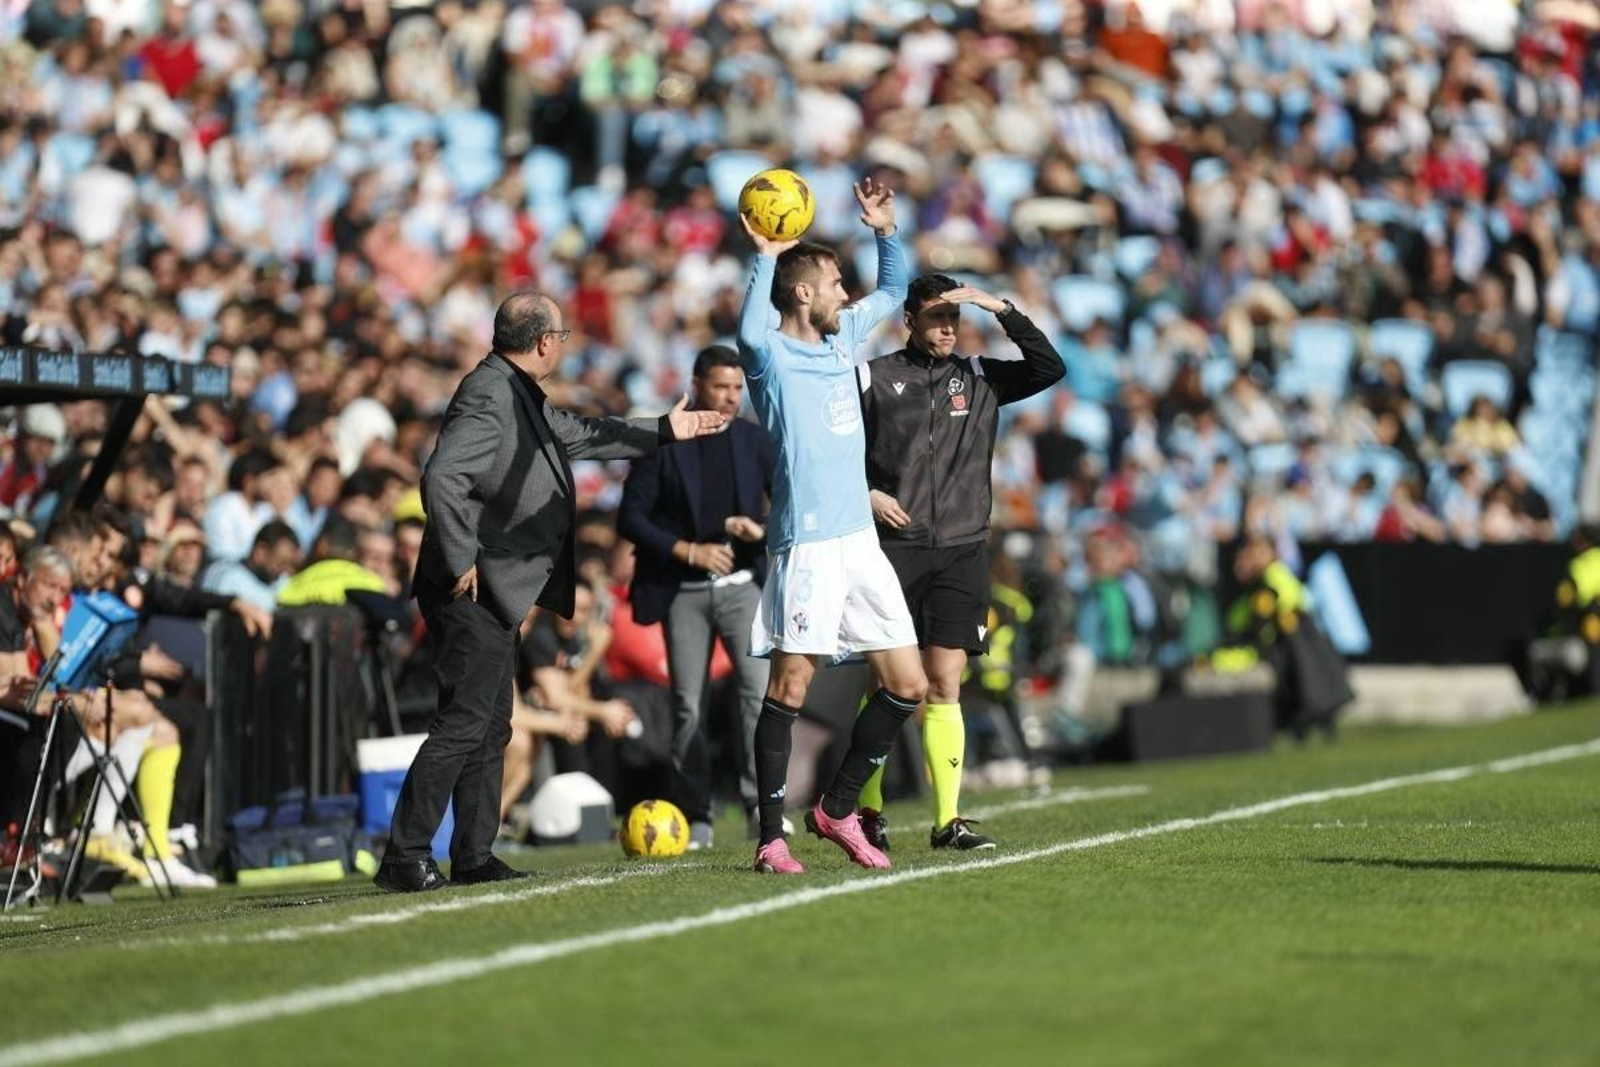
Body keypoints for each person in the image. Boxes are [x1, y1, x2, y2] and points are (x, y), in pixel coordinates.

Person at [376, 291, 727, 893]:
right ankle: (406, 854)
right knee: (464, 723)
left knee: (490, 726)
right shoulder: (490, 393)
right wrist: (460, 557)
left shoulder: (515, 389)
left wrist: (664, 430)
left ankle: (474, 853)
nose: (561, 345)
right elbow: (443, 476)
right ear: (543, 342)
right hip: (471, 587)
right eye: (561, 336)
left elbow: (582, 435)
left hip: (494, 590)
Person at [736, 175, 929, 875]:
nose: (847, 293)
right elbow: (745, 327)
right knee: (790, 685)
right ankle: (768, 835)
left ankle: (837, 807)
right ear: (801, 293)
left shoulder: (844, 335)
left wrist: (886, 229)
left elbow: (894, 289)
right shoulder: (769, 355)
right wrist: (765, 254)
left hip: (859, 541)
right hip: (809, 544)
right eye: (834, 282)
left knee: (908, 683)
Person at [854, 271, 1063, 851]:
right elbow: (832, 449)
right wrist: (865, 493)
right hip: (892, 550)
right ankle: (867, 811)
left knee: (946, 682)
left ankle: (947, 820)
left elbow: (1050, 367)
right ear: (910, 322)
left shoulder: (980, 376)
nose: (947, 328)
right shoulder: (873, 377)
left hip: (963, 550)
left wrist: (1001, 309)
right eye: (937, 318)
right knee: (890, 683)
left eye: (954, 318)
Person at [618, 344, 776, 849]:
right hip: (681, 592)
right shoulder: (665, 441)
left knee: (759, 696)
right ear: (697, 385)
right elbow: (631, 518)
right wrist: (689, 550)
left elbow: (788, 506)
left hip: (742, 588)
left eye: (736, 388)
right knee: (689, 706)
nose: (730, 398)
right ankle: (696, 814)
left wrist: (759, 530)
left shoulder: (755, 440)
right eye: (721, 387)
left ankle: (762, 807)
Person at [201, 519, 301, 611]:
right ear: (261, 552)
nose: (286, 571)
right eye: (281, 563)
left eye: (290, 565)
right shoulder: (226, 579)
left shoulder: (283, 582)